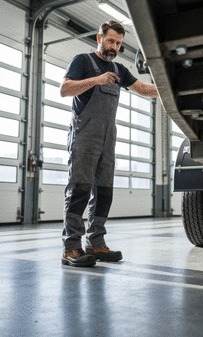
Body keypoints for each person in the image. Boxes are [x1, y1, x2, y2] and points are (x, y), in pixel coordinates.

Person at [60, 20, 159, 267]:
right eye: (110, 40)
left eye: (118, 42)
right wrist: (96, 80)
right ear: (99, 38)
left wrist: (167, 88)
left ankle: (96, 243)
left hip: (108, 138)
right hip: (85, 136)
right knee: (79, 189)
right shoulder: (82, 61)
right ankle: (71, 248)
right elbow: (64, 89)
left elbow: (144, 89)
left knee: (104, 192)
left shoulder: (119, 69)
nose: (114, 46)